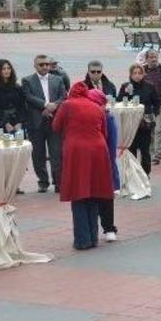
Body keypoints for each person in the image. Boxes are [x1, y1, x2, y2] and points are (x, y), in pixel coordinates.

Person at [53, 82, 114, 249]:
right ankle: (93, 238)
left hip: (77, 151)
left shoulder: (67, 105)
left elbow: (56, 126)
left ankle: (82, 240)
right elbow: (105, 132)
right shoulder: (96, 107)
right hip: (98, 150)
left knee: (78, 193)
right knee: (94, 193)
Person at [22, 55, 66, 193]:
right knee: (38, 154)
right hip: (36, 122)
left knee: (56, 153)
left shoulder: (58, 79)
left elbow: (64, 96)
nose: (45, 67)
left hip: (55, 121)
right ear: (35, 65)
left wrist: (54, 105)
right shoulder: (27, 80)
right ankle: (43, 181)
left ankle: (58, 182)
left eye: (47, 64)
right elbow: (28, 96)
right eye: (41, 64)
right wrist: (45, 105)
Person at [86, 89, 120, 242]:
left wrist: (110, 165)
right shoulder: (85, 117)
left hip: (104, 162)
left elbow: (112, 146)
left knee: (106, 196)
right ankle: (94, 227)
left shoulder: (108, 118)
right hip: (89, 162)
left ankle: (109, 227)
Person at [117, 64, 160, 176]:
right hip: (130, 124)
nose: (137, 76)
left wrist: (152, 115)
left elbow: (156, 103)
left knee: (145, 151)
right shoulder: (126, 86)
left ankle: (146, 174)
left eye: (139, 73)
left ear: (143, 74)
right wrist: (126, 94)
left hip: (144, 124)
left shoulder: (149, 86)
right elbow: (119, 102)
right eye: (134, 73)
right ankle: (133, 175)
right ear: (130, 75)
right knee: (132, 150)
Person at [143, 49, 161, 165]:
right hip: (147, 106)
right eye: (151, 57)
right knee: (150, 130)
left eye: (155, 56)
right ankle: (151, 151)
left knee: (160, 129)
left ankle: (157, 154)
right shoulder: (142, 71)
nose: (154, 59)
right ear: (147, 59)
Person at [0, 59, 27, 136]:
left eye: (8, 68)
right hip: (0, 124)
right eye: (3, 69)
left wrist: (20, 122)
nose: (7, 71)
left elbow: (22, 106)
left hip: (17, 125)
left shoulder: (17, 87)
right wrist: (6, 123)